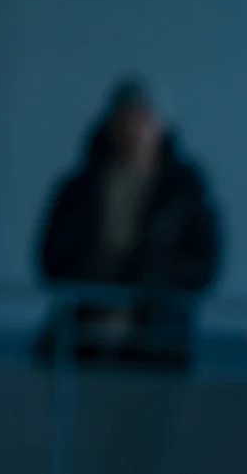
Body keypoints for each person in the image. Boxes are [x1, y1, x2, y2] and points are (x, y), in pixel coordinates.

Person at [35, 79, 222, 368]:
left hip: (157, 341)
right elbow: (52, 257)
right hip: (86, 339)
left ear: (160, 126)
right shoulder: (80, 188)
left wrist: (153, 281)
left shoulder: (184, 191)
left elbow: (204, 261)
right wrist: (97, 275)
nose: (133, 130)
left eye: (143, 119)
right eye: (126, 119)